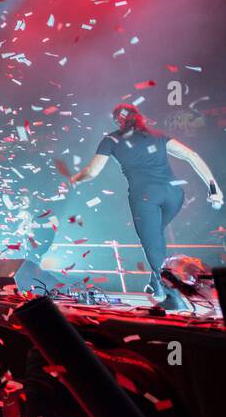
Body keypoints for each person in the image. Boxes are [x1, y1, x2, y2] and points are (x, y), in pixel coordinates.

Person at [71, 103, 222, 310]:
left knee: (152, 245)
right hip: (174, 195)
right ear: (139, 117)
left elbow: (93, 172)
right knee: (156, 239)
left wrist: (76, 178)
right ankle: (156, 284)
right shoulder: (157, 135)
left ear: (117, 120)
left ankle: (173, 295)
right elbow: (191, 156)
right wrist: (214, 189)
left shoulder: (111, 139)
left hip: (145, 197)